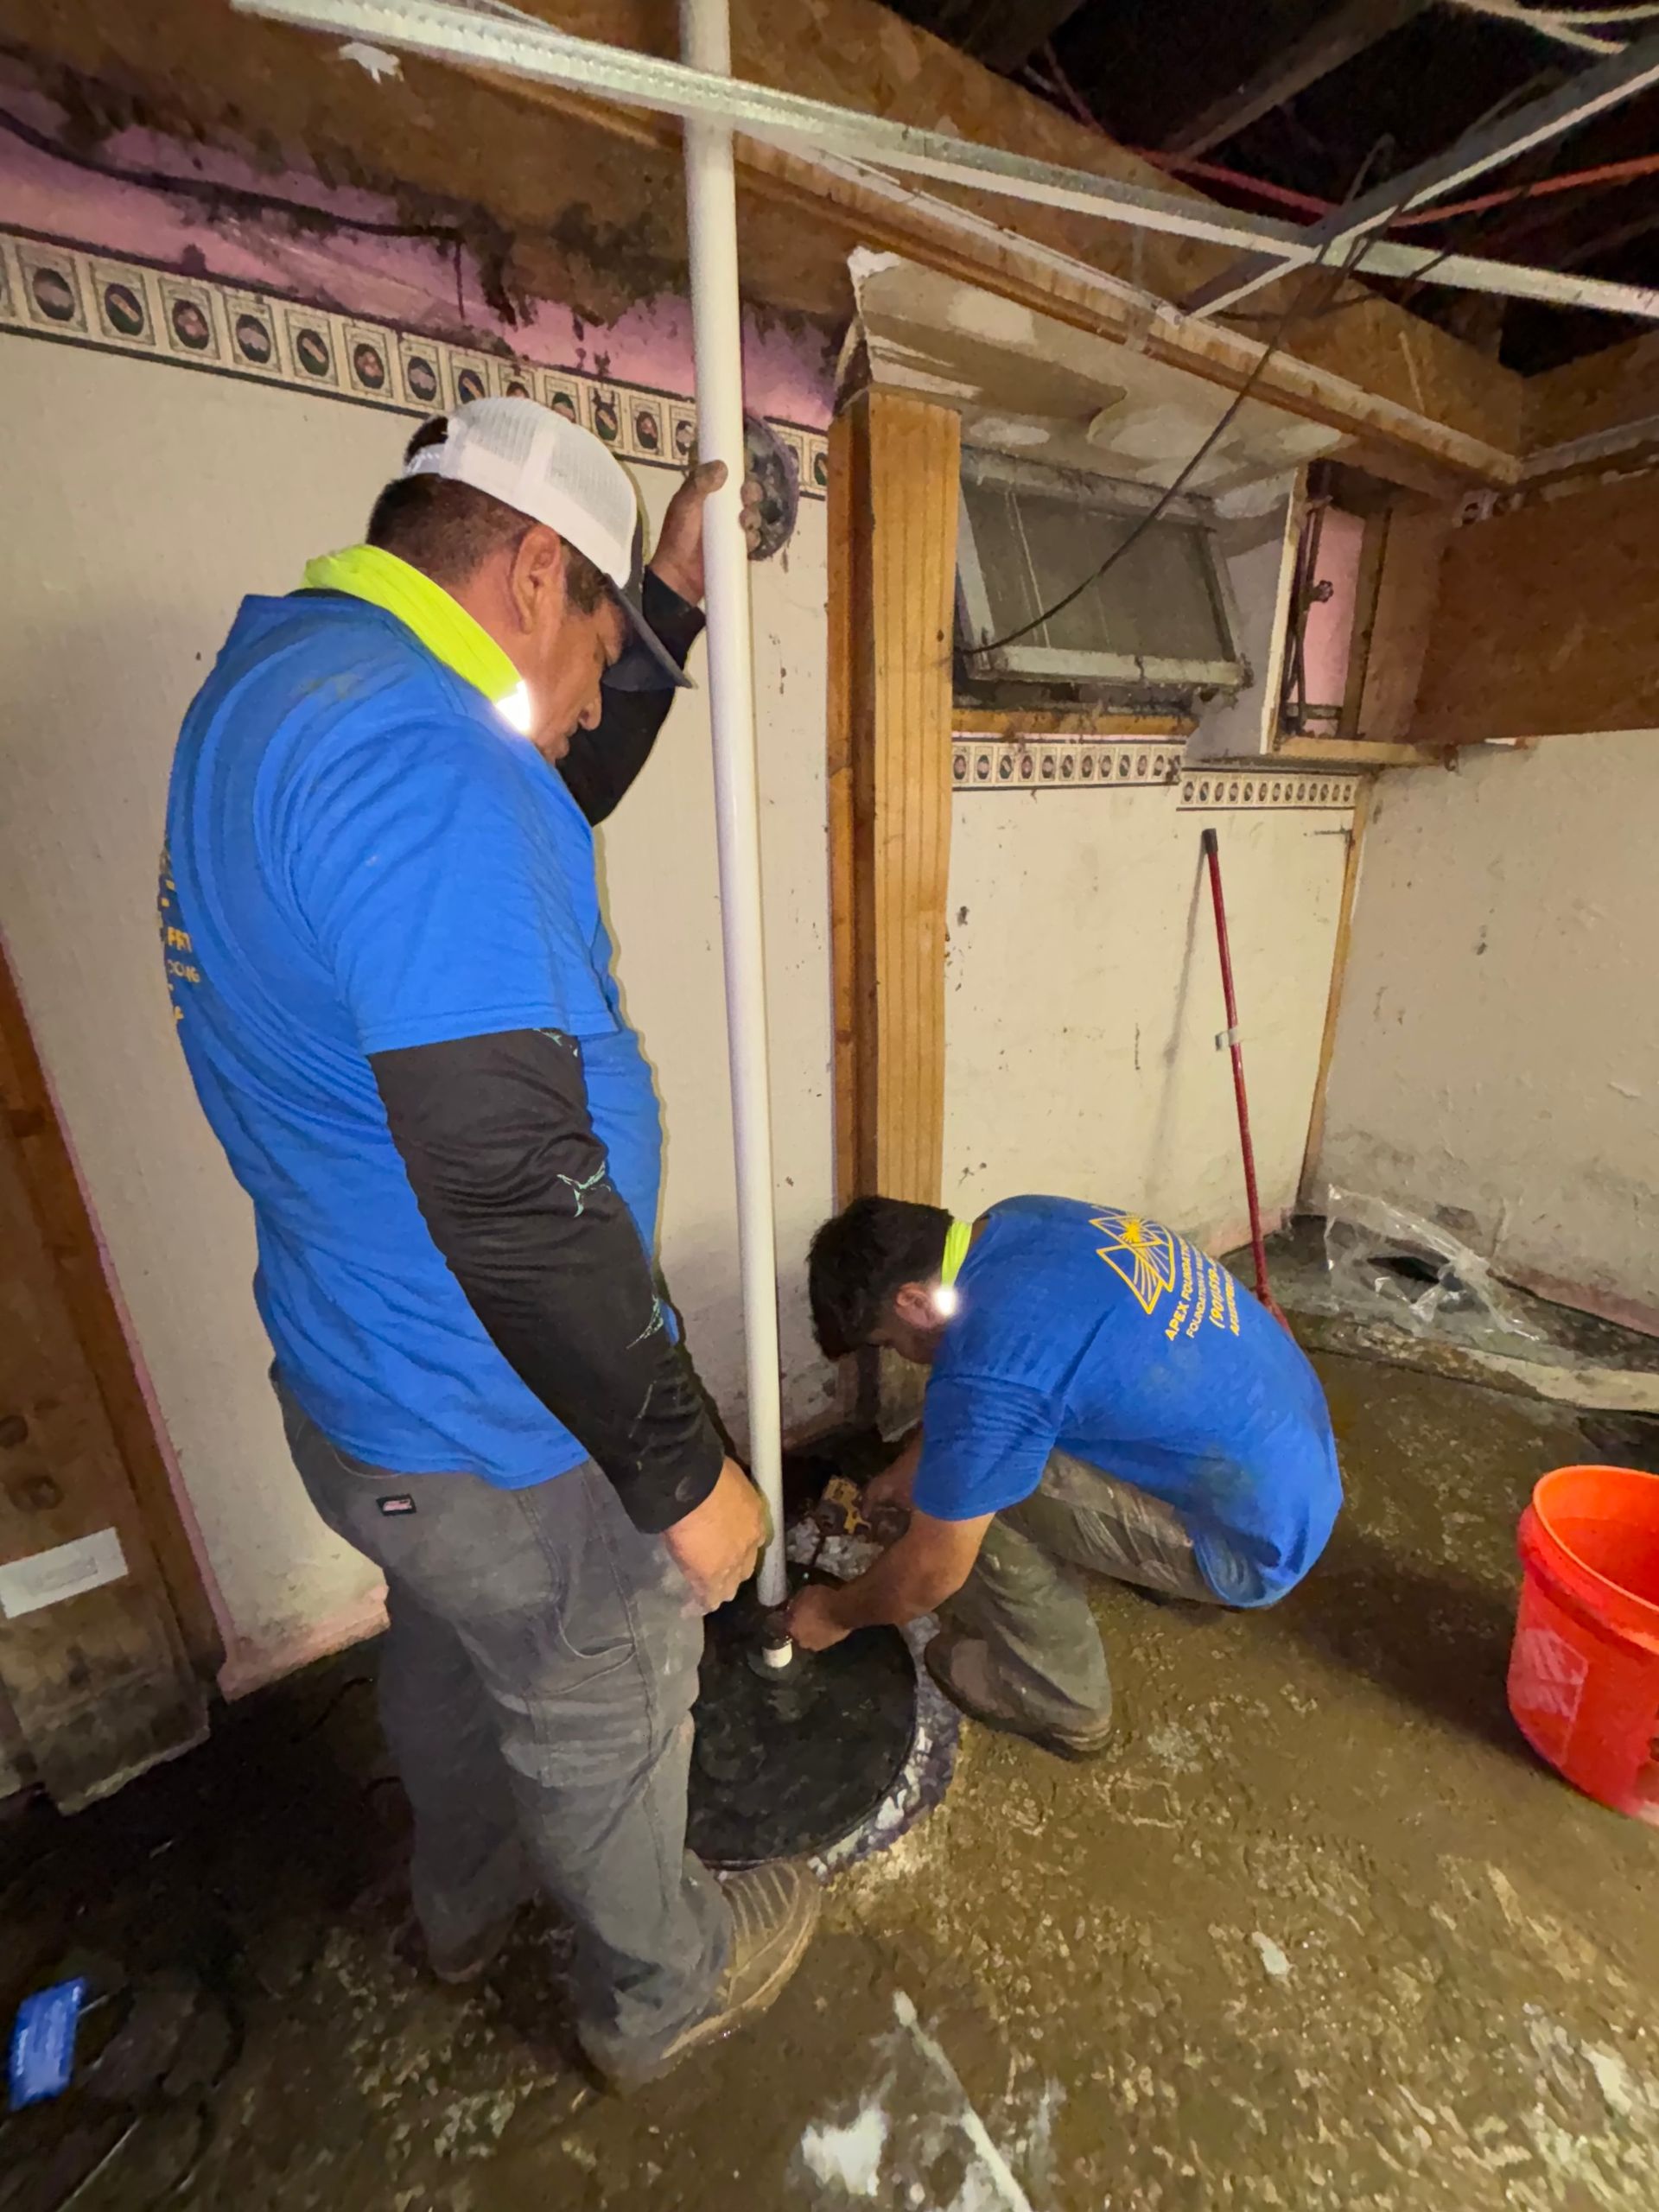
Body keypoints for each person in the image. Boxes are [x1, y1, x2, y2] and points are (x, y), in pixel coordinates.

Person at [162, 397, 818, 2088]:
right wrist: (688, 1472)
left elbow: (541, 781)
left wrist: (660, 599)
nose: (594, 707)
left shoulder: (284, 688)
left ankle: (457, 1900)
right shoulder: (431, 764)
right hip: (506, 1421)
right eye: (598, 646)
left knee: (456, 1656)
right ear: (535, 571)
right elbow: (522, 1190)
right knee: (605, 1690)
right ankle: (660, 1985)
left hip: (364, 1394)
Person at [785, 1194, 1342, 1759]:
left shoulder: (993, 1363)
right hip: (1302, 1463)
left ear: (912, 1302)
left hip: (1256, 1545)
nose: (902, 1355)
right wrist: (917, 1460)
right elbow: (1011, 1374)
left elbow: (931, 1575)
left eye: (888, 1341)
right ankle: (1171, 1576)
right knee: (968, 1460)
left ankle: (1058, 1702)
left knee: (970, 1508)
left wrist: (834, 1614)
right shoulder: (1020, 1220)